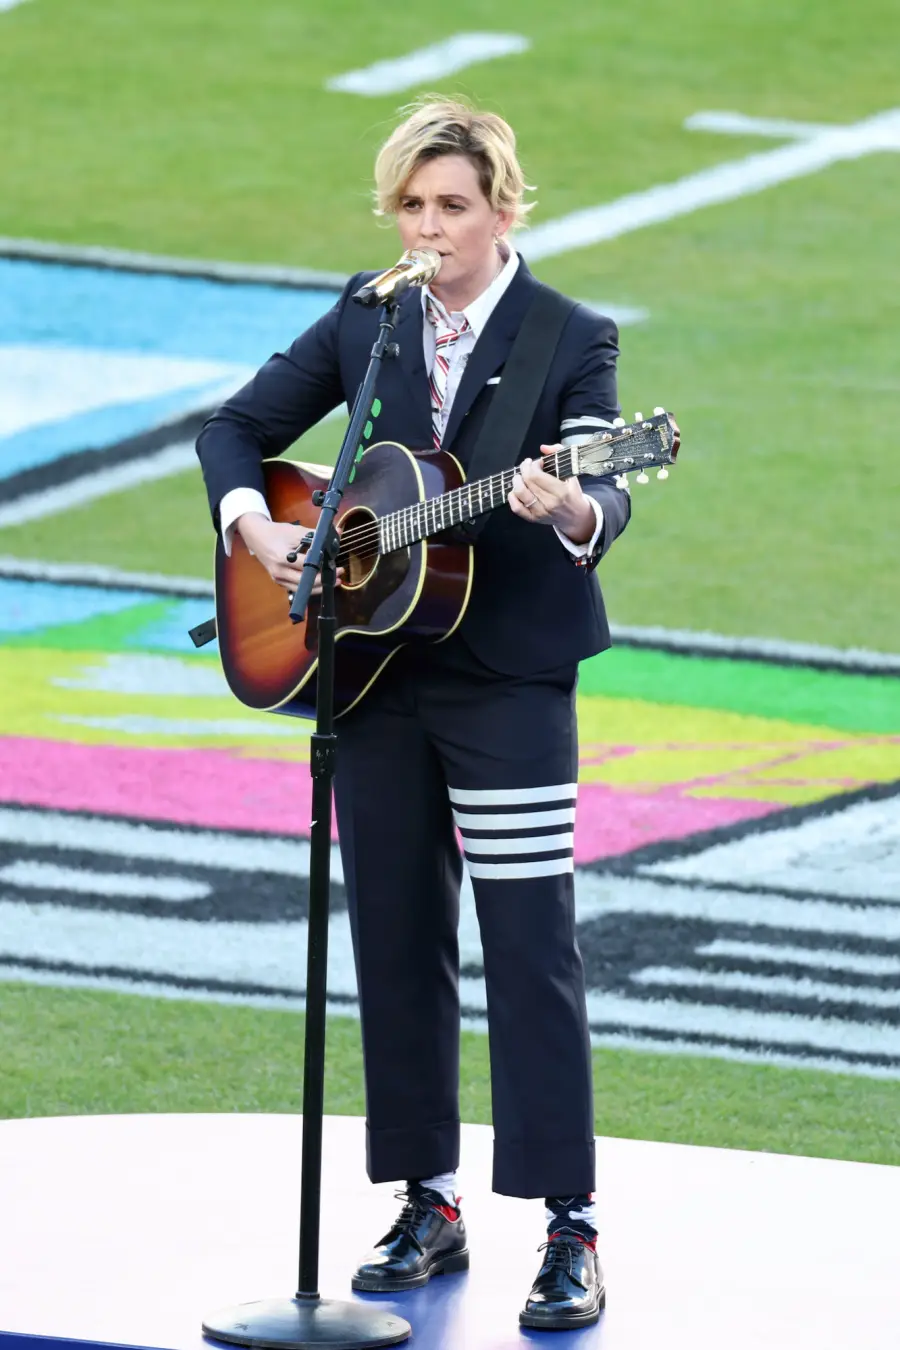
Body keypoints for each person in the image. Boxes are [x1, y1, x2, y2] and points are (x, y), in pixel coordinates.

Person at [196, 96, 632, 1331]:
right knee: (393, 937)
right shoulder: (369, 316)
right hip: (373, 683)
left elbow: (611, 479)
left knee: (531, 949)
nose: (430, 229)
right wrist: (260, 526)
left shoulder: (569, 336)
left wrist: (573, 508)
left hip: (509, 685)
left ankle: (568, 1226)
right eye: (412, 207)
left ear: (505, 208)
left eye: (453, 206)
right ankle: (424, 1199)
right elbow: (236, 429)